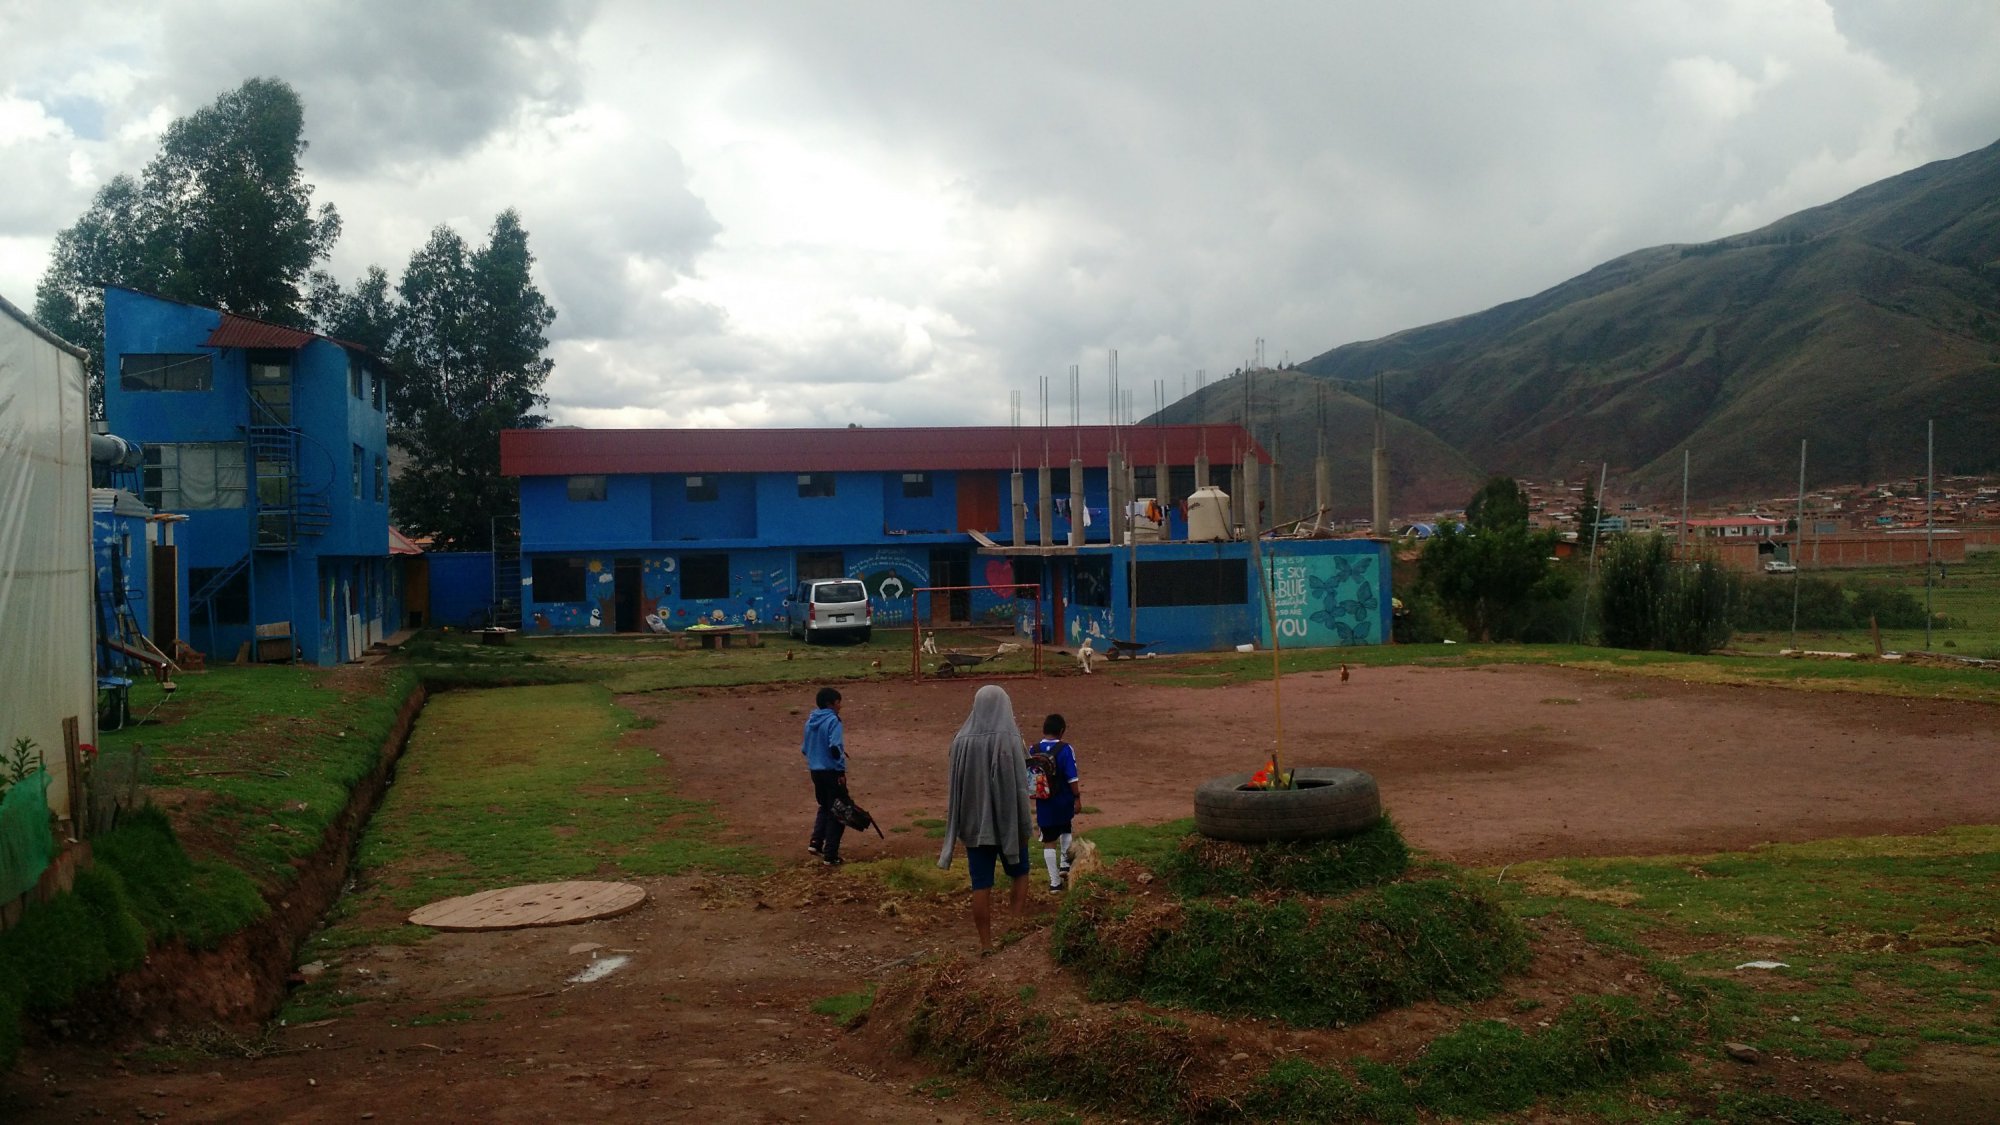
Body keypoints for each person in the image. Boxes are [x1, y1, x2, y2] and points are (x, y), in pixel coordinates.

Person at [937, 684, 1034, 950]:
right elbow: (1021, 783)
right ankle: (1014, 929)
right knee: (1021, 872)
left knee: (980, 885)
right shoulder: (1011, 738)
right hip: (1009, 823)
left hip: (974, 825)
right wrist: (1023, 824)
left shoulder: (960, 741)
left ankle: (986, 946)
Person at [1031, 714, 1082, 892]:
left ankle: (1054, 883)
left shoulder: (1033, 749)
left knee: (1049, 841)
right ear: (1061, 731)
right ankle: (1065, 866)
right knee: (1066, 828)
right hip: (1063, 800)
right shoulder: (1065, 749)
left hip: (1044, 802)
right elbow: (1072, 777)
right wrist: (1077, 797)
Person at [802, 686, 848, 866]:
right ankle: (831, 854)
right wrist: (840, 771)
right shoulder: (833, 720)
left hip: (815, 771)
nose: (840, 706)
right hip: (831, 772)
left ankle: (816, 842)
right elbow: (835, 747)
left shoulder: (810, 721)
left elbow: (805, 749)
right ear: (831, 704)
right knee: (840, 811)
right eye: (838, 702)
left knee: (825, 806)